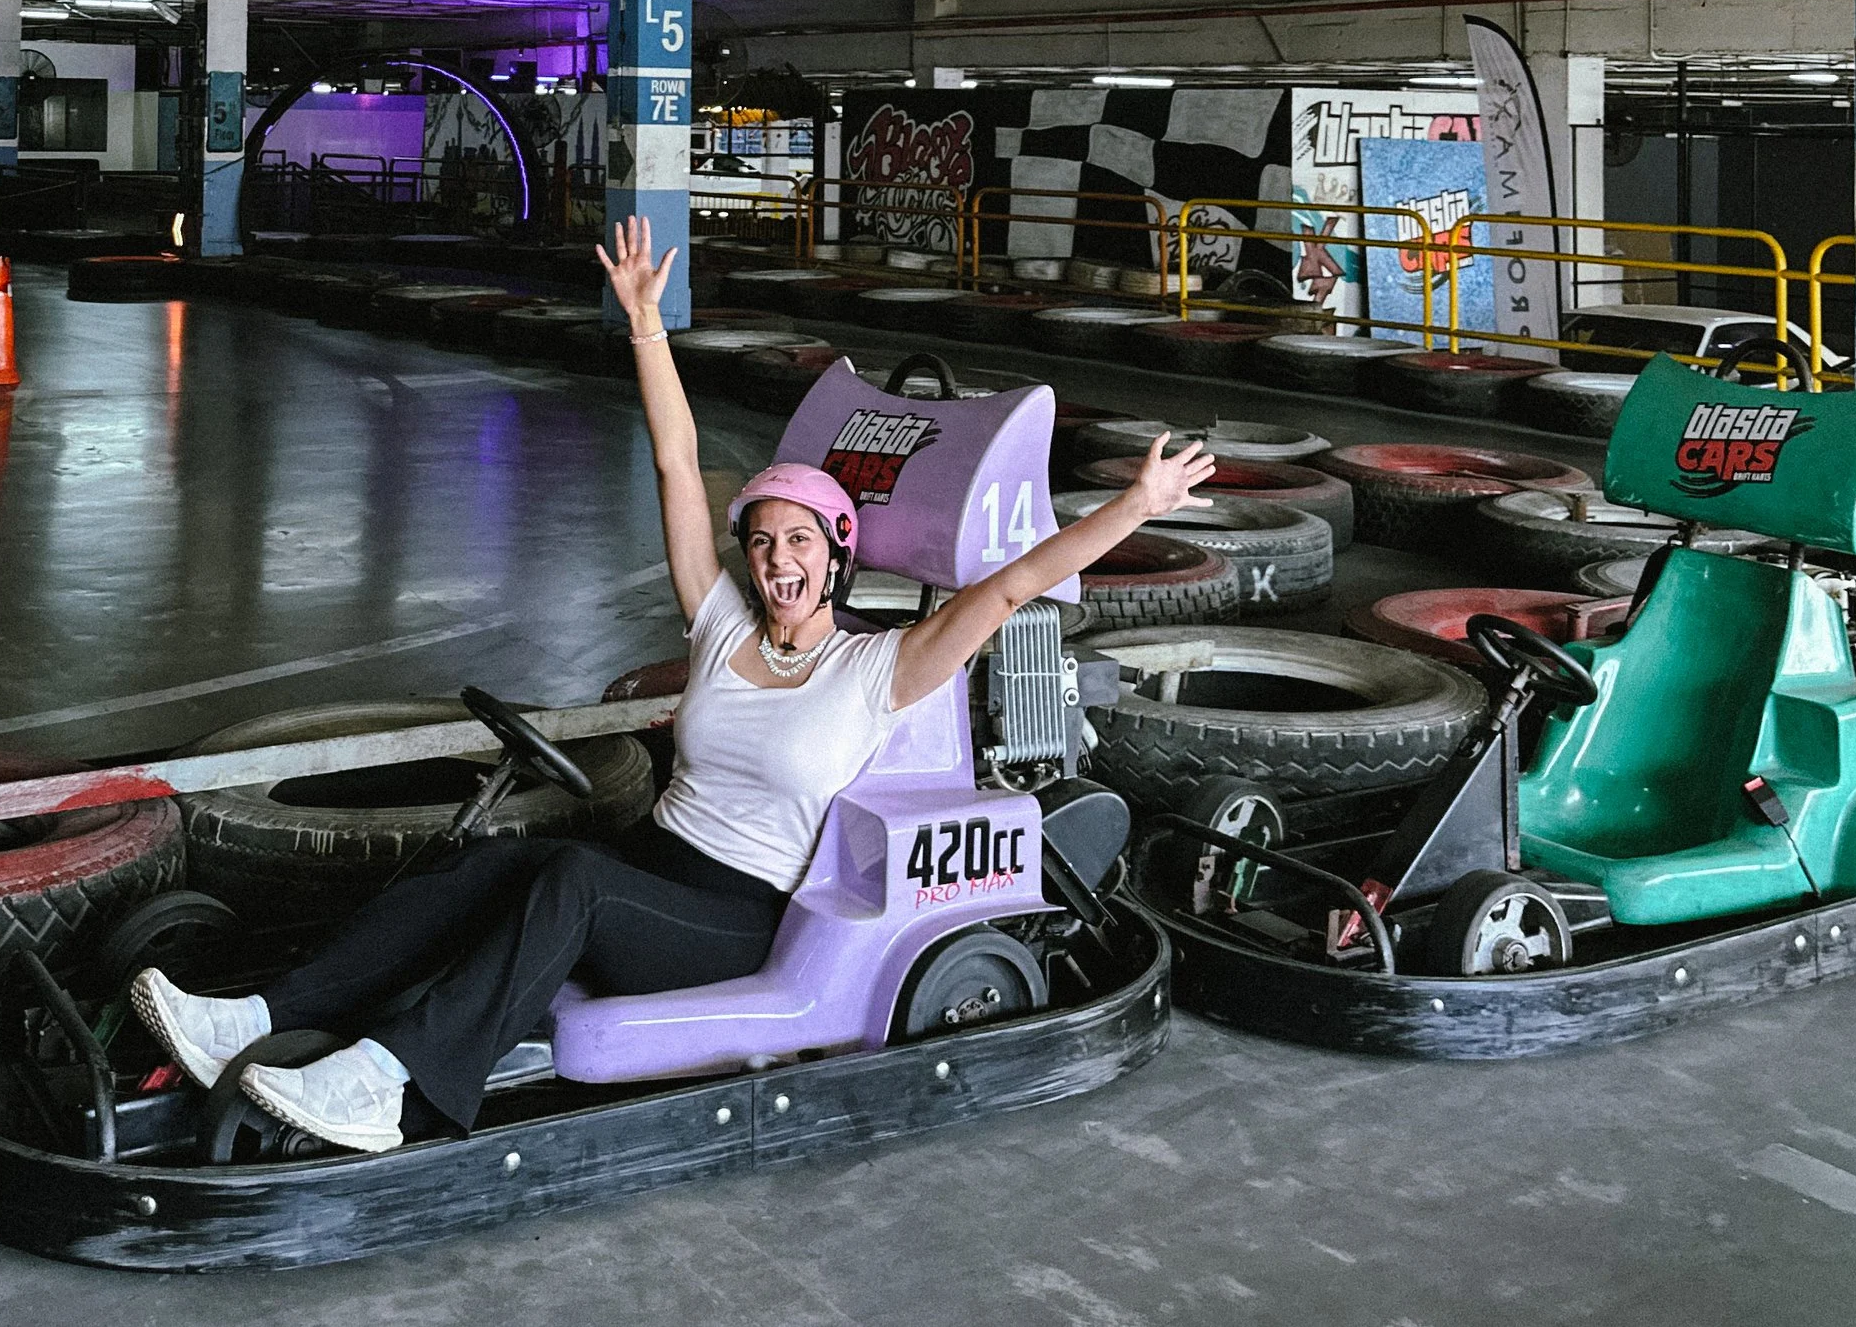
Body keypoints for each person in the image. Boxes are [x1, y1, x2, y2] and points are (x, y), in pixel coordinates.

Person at [128, 217, 1214, 1154]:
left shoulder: (883, 665)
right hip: (655, 861)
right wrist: (645, 321)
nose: (779, 558)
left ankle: (387, 1078)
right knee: (490, 860)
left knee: (568, 882)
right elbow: (673, 459)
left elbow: (1015, 580)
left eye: (802, 541)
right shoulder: (723, 621)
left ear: (838, 556)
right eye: (763, 538)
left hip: (738, 912)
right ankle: (259, 1013)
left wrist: (1136, 502)